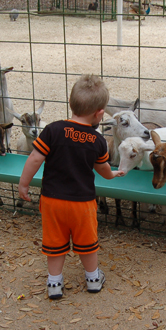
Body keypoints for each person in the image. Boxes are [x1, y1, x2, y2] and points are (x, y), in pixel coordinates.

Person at [18, 74, 124, 300]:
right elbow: (103, 168)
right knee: (87, 242)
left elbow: (35, 158)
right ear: (99, 113)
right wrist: (113, 175)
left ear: (71, 103)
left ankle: (54, 283)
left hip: (52, 201)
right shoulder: (97, 141)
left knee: (55, 242)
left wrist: (23, 184)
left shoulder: (53, 130)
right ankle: (93, 279)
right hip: (82, 204)